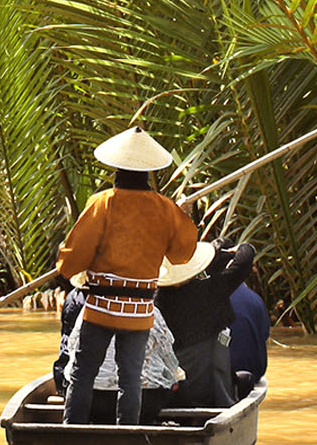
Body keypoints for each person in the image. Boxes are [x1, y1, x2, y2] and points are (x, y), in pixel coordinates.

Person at [53, 125, 198, 425]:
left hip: (101, 309)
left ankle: (72, 431)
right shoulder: (164, 209)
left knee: (82, 374)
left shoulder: (103, 203)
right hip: (139, 311)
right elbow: (182, 254)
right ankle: (127, 435)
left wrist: (63, 271)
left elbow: (76, 253)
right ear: (147, 171)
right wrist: (182, 215)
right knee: (130, 379)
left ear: (117, 167)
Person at [52, 287, 183, 422]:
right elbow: (169, 359)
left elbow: (71, 350)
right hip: (144, 402)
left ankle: (77, 430)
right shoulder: (149, 311)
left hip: (91, 402)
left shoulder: (89, 310)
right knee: (173, 382)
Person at [156, 239, 257, 407]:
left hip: (173, 393)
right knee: (245, 378)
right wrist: (243, 248)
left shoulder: (157, 300)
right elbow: (243, 263)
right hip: (207, 393)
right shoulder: (208, 291)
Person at [229, 277, 270, 396]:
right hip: (254, 371)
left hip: (225, 375)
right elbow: (264, 335)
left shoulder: (212, 297)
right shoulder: (256, 300)